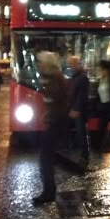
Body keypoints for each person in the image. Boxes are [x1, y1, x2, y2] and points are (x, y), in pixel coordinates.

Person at [33, 51, 68, 204]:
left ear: (47, 64)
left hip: (56, 122)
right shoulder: (52, 76)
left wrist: (50, 114)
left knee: (45, 158)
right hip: (55, 121)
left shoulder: (54, 77)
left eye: (40, 62)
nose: (39, 65)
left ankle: (49, 192)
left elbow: (57, 99)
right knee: (46, 157)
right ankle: (49, 190)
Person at [67, 56, 90, 165]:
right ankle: (75, 153)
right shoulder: (75, 77)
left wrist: (76, 109)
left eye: (72, 64)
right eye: (69, 64)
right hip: (73, 109)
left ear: (77, 64)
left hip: (79, 111)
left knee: (81, 133)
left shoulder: (82, 78)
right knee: (76, 132)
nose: (70, 66)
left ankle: (84, 156)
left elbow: (82, 96)